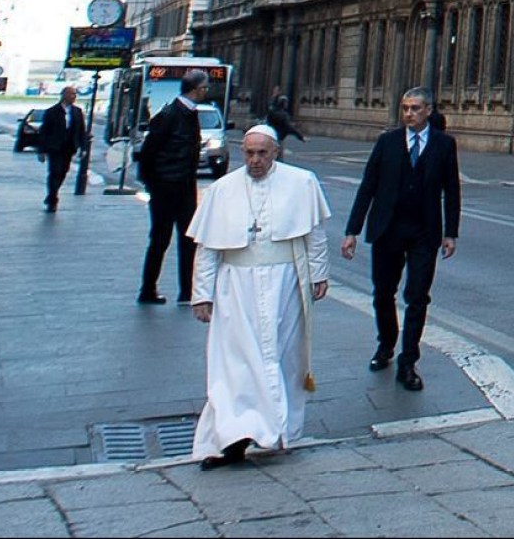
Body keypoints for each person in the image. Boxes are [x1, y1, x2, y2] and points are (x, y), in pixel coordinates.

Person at [186, 125, 331, 470]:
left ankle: (276, 432)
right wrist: (201, 295)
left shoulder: (302, 183)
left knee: (280, 358)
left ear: (276, 152)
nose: (254, 160)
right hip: (235, 288)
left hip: (284, 285)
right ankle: (231, 439)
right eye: (249, 153)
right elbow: (207, 249)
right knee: (234, 364)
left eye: (261, 153)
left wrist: (319, 273)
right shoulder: (223, 189)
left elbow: (314, 235)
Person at [341, 87, 461, 392]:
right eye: (405, 108)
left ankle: (408, 362)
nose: (409, 113)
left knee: (417, 297)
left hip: (424, 231)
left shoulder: (444, 145)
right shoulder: (388, 142)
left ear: (429, 111)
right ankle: (386, 345)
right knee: (383, 293)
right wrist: (352, 231)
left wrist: (451, 233)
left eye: (415, 108)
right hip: (388, 229)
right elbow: (367, 186)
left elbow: (452, 191)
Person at [136, 69, 207, 306]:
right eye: (205, 87)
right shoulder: (169, 114)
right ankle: (147, 289)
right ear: (195, 89)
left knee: (188, 239)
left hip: (184, 186)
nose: (206, 91)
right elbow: (148, 152)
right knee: (160, 239)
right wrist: (153, 184)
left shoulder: (188, 113)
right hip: (166, 187)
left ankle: (186, 292)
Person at [37, 86, 86, 213]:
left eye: (75, 94)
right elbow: (44, 132)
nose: (74, 97)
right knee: (55, 172)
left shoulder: (77, 112)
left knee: (63, 172)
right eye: (71, 94)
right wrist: (41, 150)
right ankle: (53, 201)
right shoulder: (52, 112)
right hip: (55, 148)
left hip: (69, 148)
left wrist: (83, 147)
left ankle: (52, 194)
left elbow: (81, 131)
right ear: (64, 95)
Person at [265, 95, 304, 161]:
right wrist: (300, 137)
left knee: (270, 156)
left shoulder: (271, 112)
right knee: (278, 158)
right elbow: (289, 127)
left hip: (270, 136)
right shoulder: (283, 115)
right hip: (279, 137)